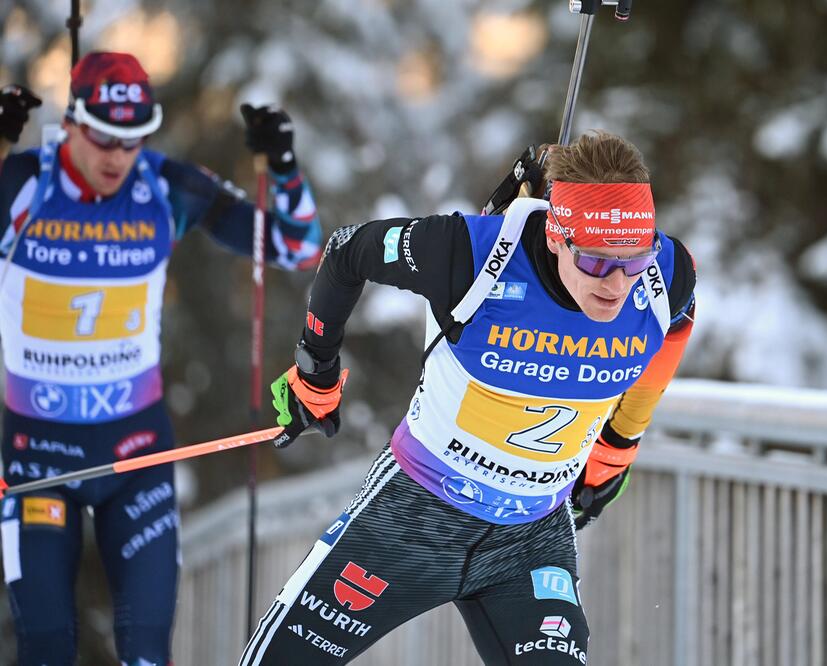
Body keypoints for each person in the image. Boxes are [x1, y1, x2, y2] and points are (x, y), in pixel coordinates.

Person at [241, 130, 696, 664]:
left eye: (634, 261)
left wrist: (619, 444)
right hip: (414, 517)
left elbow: (673, 331)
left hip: (530, 540)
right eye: (596, 262)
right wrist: (315, 370)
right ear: (555, 235)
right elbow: (347, 252)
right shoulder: (472, 254)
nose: (617, 285)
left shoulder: (668, 275)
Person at [0, 52, 323, 665]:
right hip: (38, 459)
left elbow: (297, 246)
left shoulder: (163, 186)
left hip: (138, 454)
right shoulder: (23, 183)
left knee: (147, 652)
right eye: (102, 136)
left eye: (132, 138)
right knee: (44, 649)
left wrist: (281, 165)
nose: (116, 157)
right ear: (70, 121)